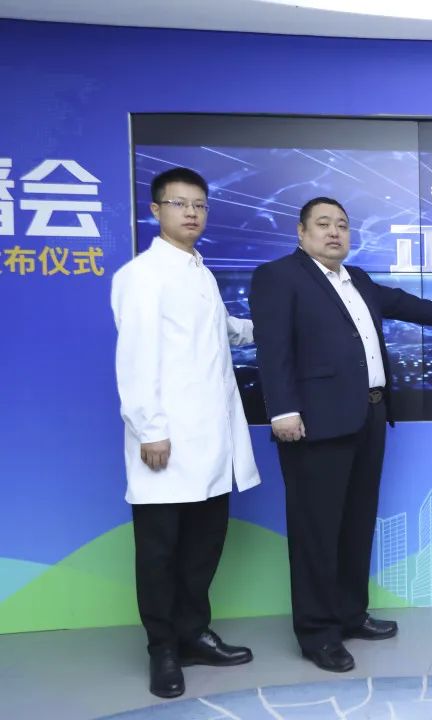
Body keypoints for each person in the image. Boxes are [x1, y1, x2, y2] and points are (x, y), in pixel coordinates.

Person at [249, 197, 432, 673]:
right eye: (323, 224)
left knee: (356, 524)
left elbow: (398, 302)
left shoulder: (356, 278)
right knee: (317, 531)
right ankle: (318, 633)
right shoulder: (279, 276)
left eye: (341, 225)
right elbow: (273, 349)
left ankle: (350, 614)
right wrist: (283, 411)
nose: (334, 232)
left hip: (369, 416)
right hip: (313, 423)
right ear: (301, 232)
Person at [111, 167, 260, 699]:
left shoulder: (201, 272)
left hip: (211, 440)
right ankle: (163, 650)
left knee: (203, 546)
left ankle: (194, 633)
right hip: (166, 442)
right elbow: (135, 358)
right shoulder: (142, 274)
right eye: (179, 204)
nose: (191, 213)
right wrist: (151, 430)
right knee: (160, 553)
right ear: (156, 210)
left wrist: (273, 325)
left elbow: (222, 331)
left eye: (199, 204)